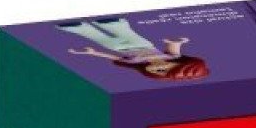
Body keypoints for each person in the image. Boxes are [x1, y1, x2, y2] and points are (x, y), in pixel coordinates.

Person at [59, 17, 209, 81]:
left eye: (158, 71)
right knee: (125, 32)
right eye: (165, 68)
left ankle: (79, 28)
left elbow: (115, 58)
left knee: (95, 36)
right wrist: (177, 42)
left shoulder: (136, 62)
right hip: (142, 44)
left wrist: (93, 53)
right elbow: (174, 48)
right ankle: (116, 24)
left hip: (118, 48)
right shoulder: (171, 57)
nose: (158, 67)